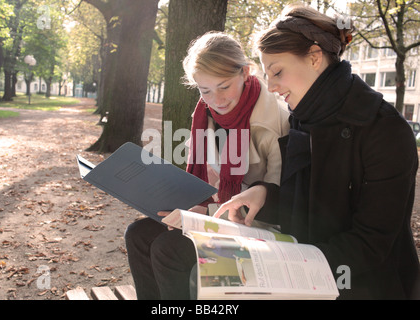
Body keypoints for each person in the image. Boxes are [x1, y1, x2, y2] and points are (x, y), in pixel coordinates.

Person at [214, 5, 420, 299]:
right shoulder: (304, 116)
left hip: (367, 286)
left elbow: (371, 244)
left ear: (314, 57)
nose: (270, 86)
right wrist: (265, 195)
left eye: (277, 72)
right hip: (309, 271)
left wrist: (286, 270)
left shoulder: (385, 129)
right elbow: (311, 205)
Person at [124, 32, 289, 299]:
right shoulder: (204, 115)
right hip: (212, 212)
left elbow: (277, 200)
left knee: (169, 248)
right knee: (138, 234)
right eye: (205, 91)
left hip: (254, 225)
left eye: (224, 86)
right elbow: (205, 180)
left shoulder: (276, 121)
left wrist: (205, 210)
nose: (216, 100)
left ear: (245, 72)